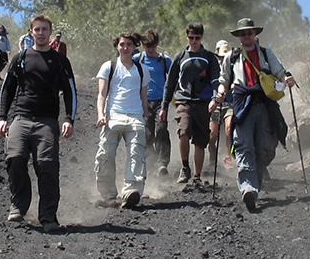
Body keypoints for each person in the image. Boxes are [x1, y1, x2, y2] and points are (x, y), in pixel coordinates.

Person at [0, 14, 77, 232]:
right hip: (20, 118)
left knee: (47, 166)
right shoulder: (20, 57)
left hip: (47, 122)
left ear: (50, 32)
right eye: (37, 29)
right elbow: (7, 89)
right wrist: (2, 117)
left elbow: (70, 91)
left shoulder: (60, 61)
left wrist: (69, 119)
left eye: (44, 29)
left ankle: (48, 217)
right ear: (31, 32)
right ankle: (18, 207)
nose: (40, 33)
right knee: (15, 158)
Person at [216, 18, 294, 211]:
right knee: (244, 145)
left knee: (266, 147)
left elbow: (279, 72)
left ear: (254, 34)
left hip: (264, 104)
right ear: (239, 36)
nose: (246, 36)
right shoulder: (231, 57)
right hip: (242, 105)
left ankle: (255, 181)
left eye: (249, 33)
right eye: (243, 33)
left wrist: (287, 78)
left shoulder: (267, 54)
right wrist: (219, 93)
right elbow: (223, 79)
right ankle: (248, 188)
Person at [94, 31, 151, 209]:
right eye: (122, 44)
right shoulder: (108, 67)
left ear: (135, 47)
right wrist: (101, 115)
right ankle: (109, 195)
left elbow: (144, 99)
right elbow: (102, 95)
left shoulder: (142, 70)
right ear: (117, 46)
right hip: (113, 116)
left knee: (136, 153)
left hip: (135, 116)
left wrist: (146, 123)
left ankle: (131, 191)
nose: (125, 48)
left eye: (129, 44)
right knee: (105, 155)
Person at [159, 23, 220, 185]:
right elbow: (170, 83)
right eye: (191, 37)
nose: (194, 41)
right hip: (184, 101)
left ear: (201, 37)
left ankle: (197, 176)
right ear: (187, 37)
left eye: (197, 38)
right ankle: (185, 167)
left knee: (200, 141)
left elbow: (215, 80)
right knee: (183, 131)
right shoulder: (180, 57)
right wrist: (164, 106)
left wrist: (215, 98)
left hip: (203, 104)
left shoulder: (209, 57)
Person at [132, 29, 172, 177]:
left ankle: (162, 162)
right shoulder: (138, 59)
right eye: (148, 46)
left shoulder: (164, 60)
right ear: (143, 45)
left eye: (153, 46)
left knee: (162, 130)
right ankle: (151, 160)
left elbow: (173, 78)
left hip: (161, 101)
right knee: (146, 133)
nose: (150, 49)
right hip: (143, 101)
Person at [208, 40, 234, 170]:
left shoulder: (233, 67)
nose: (223, 59)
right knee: (213, 134)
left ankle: (228, 158)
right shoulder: (213, 68)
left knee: (229, 130)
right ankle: (212, 158)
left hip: (229, 103)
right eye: (221, 56)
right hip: (216, 104)